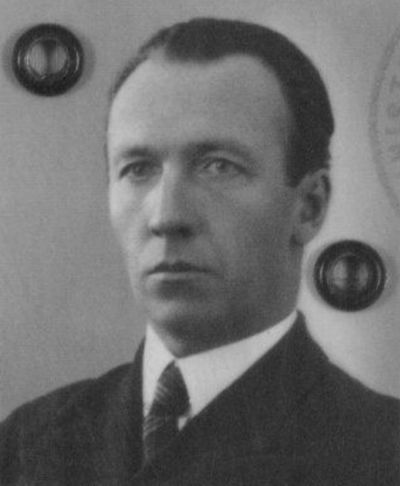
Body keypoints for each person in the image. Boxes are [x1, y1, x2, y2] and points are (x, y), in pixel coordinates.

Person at [0, 17, 399, 486]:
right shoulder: (25, 444)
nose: (166, 216)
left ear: (308, 207)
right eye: (138, 168)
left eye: (218, 166)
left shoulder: (383, 452)